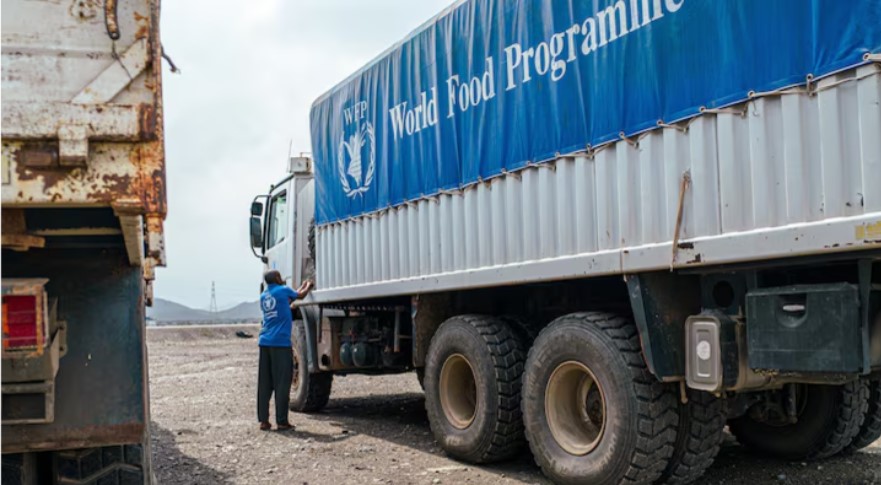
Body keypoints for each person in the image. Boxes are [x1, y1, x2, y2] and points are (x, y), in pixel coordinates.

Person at [256, 270, 312, 431]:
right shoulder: (283, 290)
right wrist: (308, 285)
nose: (282, 278)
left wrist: (300, 288)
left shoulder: (264, 296)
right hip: (280, 343)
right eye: (280, 276)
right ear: (277, 279)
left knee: (265, 383)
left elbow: (285, 303)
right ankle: (282, 421)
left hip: (264, 342)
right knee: (282, 382)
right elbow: (299, 296)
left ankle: (264, 421)